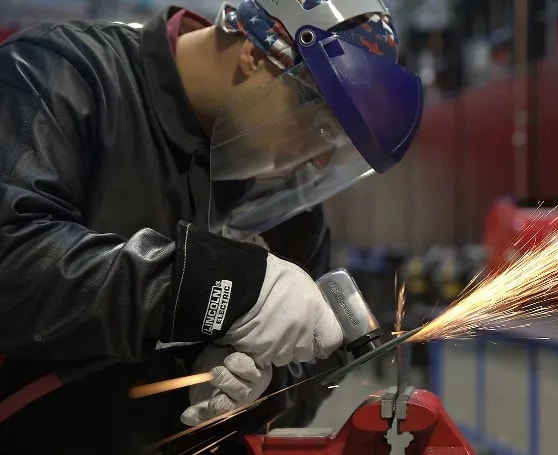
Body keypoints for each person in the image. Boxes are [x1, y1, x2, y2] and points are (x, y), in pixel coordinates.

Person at [0, 0, 422, 453]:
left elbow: (314, 373)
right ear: (258, 54)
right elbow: (16, 258)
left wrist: (260, 390)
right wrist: (215, 288)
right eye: (319, 125)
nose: (319, 159)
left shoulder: (289, 207)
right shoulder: (64, 75)